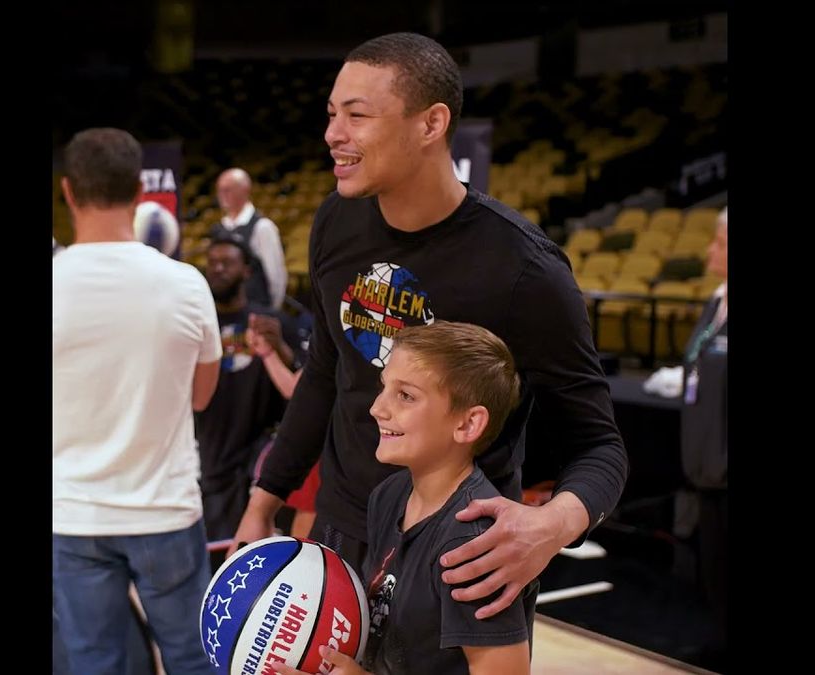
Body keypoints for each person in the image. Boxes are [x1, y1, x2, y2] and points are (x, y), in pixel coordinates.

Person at [232, 31, 627, 631]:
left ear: (431, 124)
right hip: (341, 532)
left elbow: (601, 446)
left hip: (459, 556)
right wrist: (266, 498)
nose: (333, 134)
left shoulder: (526, 270)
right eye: (332, 114)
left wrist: (553, 525)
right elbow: (326, 371)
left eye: (357, 116)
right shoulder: (335, 219)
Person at [52, 127, 221, 675]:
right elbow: (201, 396)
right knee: (194, 660)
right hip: (164, 507)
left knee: (93, 662)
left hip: (73, 512)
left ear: (68, 192)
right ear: (138, 192)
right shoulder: (187, 284)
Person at [274, 321, 529, 675]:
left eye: (405, 395)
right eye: (384, 388)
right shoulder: (389, 495)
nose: (377, 408)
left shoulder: (472, 542)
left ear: (468, 425)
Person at [197, 233, 299, 546]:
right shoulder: (195, 322)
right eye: (212, 263)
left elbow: (299, 382)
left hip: (258, 454)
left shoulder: (273, 321)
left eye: (227, 263)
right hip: (206, 452)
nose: (217, 269)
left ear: (247, 271)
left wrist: (278, 345)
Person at [681, 206, 727, 668]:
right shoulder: (717, 300)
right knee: (713, 567)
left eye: (719, 243)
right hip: (706, 467)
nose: (710, 250)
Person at [246, 314, 320, 539]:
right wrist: (267, 353)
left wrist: (268, 353)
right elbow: (293, 388)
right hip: (323, 441)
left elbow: (293, 389)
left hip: (334, 441)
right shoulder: (338, 342)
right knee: (307, 514)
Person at [210, 167, 288, 309]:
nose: (222, 195)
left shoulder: (262, 226)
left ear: (245, 190)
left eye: (227, 190)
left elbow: (276, 276)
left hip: (256, 309)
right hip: (228, 311)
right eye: (219, 190)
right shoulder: (219, 228)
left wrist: (271, 310)